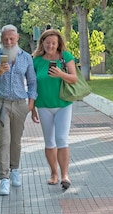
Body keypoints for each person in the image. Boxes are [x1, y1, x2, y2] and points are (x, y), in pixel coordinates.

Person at [0, 24, 37, 196]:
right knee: (3, 140)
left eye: (12, 39)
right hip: (0, 103)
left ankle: (15, 170)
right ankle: (3, 178)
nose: (9, 42)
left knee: (16, 141)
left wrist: (31, 102)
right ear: (1, 40)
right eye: (5, 39)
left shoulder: (26, 58)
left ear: (17, 38)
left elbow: (32, 81)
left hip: (20, 104)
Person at [30, 28, 78, 189]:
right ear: (42, 43)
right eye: (47, 42)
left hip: (63, 104)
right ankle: (54, 173)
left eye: (53, 43)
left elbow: (74, 79)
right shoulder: (35, 60)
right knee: (49, 142)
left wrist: (60, 74)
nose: (50, 46)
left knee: (62, 139)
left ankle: (65, 175)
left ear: (58, 44)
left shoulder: (65, 57)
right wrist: (32, 108)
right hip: (43, 105)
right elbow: (32, 85)